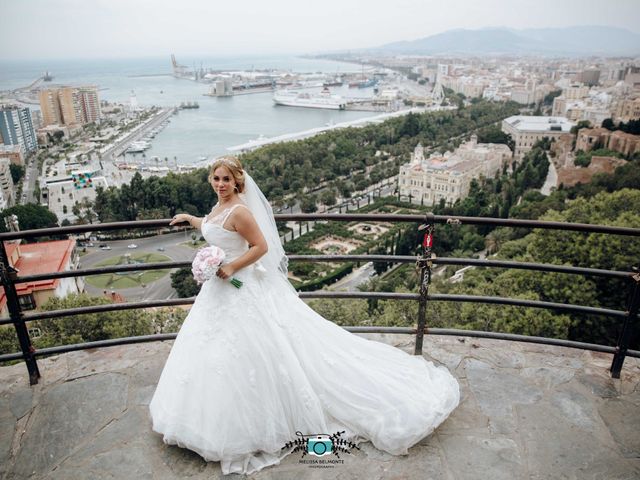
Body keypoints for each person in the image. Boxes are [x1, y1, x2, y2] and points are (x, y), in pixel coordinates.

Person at [148, 155, 460, 475]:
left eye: (226, 179)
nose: (220, 184)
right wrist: (191, 218)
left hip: (240, 288)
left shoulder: (241, 210)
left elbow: (260, 247)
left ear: (237, 181)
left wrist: (230, 266)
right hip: (218, 293)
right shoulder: (218, 207)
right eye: (216, 178)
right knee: (214, 352)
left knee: (252, 351)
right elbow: (214, 228)